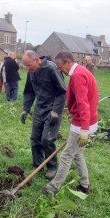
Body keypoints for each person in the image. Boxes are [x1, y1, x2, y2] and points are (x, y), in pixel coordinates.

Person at [43, 50, 99, 195]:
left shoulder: (78, 76)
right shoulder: (80, 72)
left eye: (60, 66)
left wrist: (84, 130)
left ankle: (52, 188)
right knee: (77, 154)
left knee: (66, 156)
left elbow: (83, 104)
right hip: (83, 121)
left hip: (82, 124)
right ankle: (85, 185)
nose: (59, 69)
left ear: (68, 62)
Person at [21, 50, 67, 179]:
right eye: (26, 66)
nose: (28, 69)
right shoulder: (32, 72)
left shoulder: (51, 68)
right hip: (39, 109)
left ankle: (52, 167)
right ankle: (38, 165)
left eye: (29, 65)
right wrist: (26, 108)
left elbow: (62, 92)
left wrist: (56, 111)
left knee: (47, 140)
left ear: (37, 60)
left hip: (52, 110)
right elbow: (29, 91)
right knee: (35, 139)